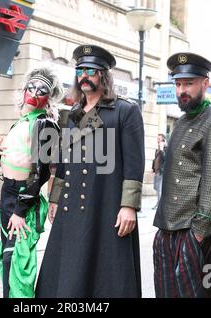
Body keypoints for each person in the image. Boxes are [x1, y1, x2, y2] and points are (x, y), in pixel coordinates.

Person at [35, 44, 145, 298]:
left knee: (106, 274)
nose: (84, 75)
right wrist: (54, 198)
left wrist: (129, 206)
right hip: (70, 206)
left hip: (105, 205)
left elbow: (134, 163)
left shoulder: (124, 111)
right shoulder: (72, 114)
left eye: (91, 71)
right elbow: (63, 161)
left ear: (103, 76)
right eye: (81, 70)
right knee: (67, 271)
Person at [152, 52, 211, 298]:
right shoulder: (182, 121)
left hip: (193, 230)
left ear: (204, 84)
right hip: (167, 226)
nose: (181, 90)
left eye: (188, 83)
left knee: (196, 294)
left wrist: (199, 233)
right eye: (178, 84)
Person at [0, 65, 64, 298]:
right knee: (7, 256)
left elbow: (40, 172)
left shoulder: (45, 124)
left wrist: (21, 210)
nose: (34, 93)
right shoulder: (21, 122)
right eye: (30, 88)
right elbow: (10, 154)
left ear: (48, 99)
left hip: (23, 199)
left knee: (18, 261)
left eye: (41, 90)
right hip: (7, 193)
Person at [151, 133, 166, 210]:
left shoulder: (165, 148)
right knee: (155, 187)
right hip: (156, 171)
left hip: (161, 171)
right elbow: (155, 159)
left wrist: (162, 149)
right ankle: (160, 202)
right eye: (157, 138)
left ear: (163, 139)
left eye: (159, 139)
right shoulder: (157, 149)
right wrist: (153, 169)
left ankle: (159, 205)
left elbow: (165, 159)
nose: (157, 140)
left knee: (159, 189)